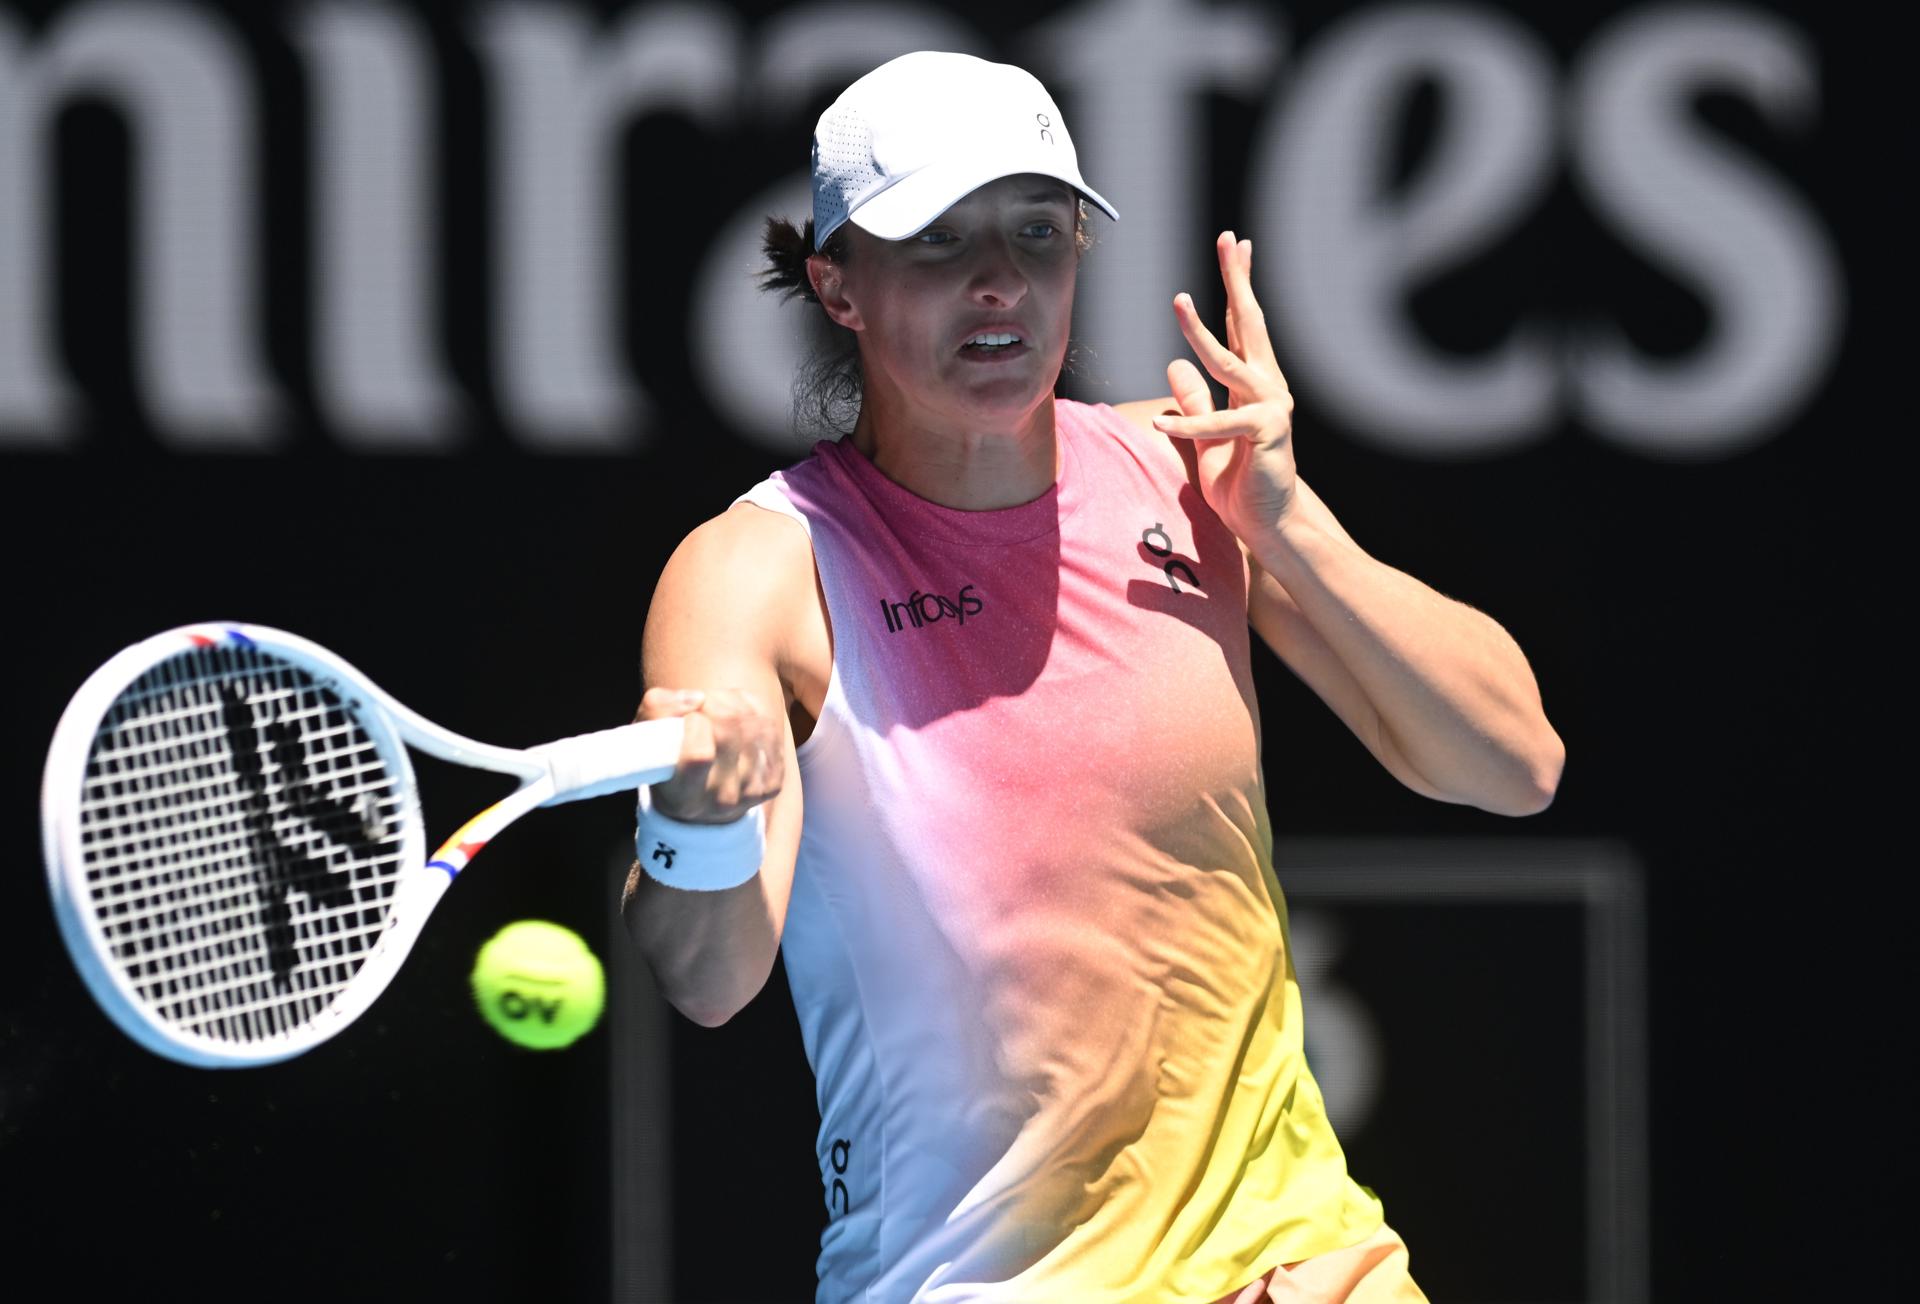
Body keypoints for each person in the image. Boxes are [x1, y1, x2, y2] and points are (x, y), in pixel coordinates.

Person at [622, 50, 1563, 1304]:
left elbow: (1517, 763)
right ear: (836, 284)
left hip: (1302, 1262)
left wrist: (1292, 530)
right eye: (939, 243)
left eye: (1036, 231)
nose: (999, 280)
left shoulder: (1191, 476)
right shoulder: (758, 569)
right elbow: (708, 976)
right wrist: (699, 819)